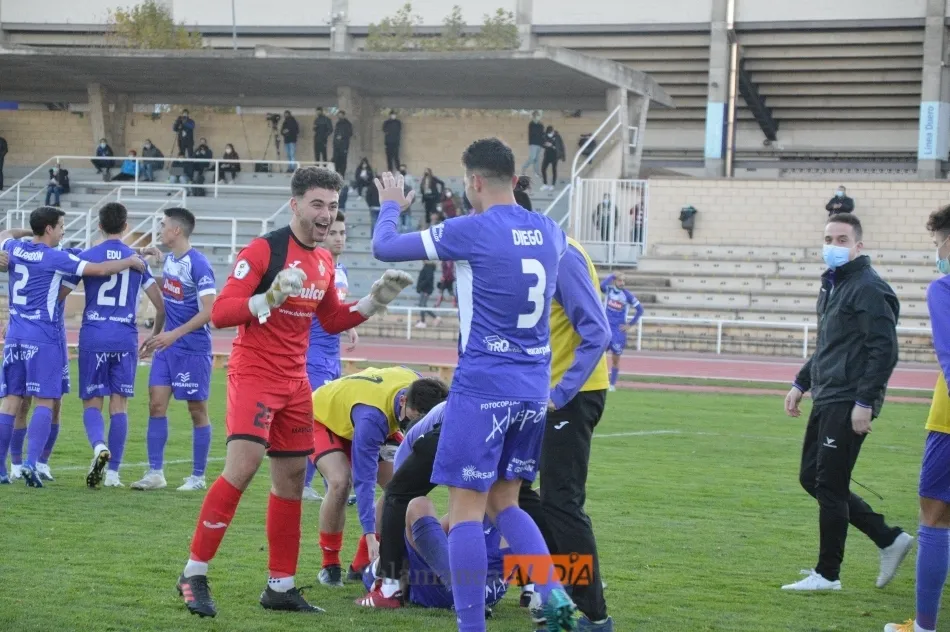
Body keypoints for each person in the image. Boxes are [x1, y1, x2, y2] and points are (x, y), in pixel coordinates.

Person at [175, 166, 412, 618]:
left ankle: (280, 586)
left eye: (334, 206)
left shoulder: (324, 260)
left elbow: (332, 321)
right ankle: (194, 572)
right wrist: (266, 300)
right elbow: (222, 313)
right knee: (242, 468)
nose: (326, 214)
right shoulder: (266, 249)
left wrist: (373, 301)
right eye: (318, 204)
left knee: (289, 480)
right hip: (255, 375)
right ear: (296, 204)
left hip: (296, 383)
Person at [365, 214, 611, 632]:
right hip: (531, 390)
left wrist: (389, 205)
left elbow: (385, 246)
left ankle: (484, 618)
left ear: (475, 182)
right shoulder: (551, 236)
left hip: (492, 390)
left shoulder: (487, 234)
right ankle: (560, 608)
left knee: (472, 508)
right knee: (511, 504)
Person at [782, 212, 913, 592]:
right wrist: (801, 382)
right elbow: (828, 344)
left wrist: (865, 401)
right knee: (813, 477)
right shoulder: (832, 286)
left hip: (849, 399)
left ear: (859, 245)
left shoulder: (870, 288)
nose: (833, 246)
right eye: (829, 239)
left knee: (831, 485)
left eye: (842, 240)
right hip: (827, 394)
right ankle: (888, 537)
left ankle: (828, 574)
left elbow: (883, 350)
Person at [0, 207, 146, 487]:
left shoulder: (15, 248)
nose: (65, 229)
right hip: (43, 336)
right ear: (50, 229)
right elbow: (101, 269)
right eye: (61, 225)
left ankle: (5, 469)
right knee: (46, 400)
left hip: (15, 335)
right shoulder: (57, 257)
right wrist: (130, 260)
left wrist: (28, 234)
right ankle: (30, 463)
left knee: (11, 401)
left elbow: (4, 233)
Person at [62, 202, 166, 488]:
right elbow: (160, 306)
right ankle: (113, 474)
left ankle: (98, 447)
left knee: (92, 402)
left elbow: (59, 295)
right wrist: (153, 338)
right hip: (124, 337)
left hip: (94, 335)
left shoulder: (87, 257)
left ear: (98, 225)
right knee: (119, 405)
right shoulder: (136, 261)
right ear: (126, 226)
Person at [312, 367, 447, 586]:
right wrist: (369, 534)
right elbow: (364, 483)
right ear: (403, 401)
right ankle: (330, 564)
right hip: (322, 417)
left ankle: (360, 564)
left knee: (399, 486)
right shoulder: (372, 419)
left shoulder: (422, 387)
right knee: (340, 482)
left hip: (369, 413)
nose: (413, 427)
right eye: (413, 421)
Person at [884, 204, 950, 632]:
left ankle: (924, 626)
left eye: (938, 244)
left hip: (948, 424)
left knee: (934, 517)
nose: (938, 253)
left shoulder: (943, 288)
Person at [130, 208, 217, 493]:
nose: (160, 228)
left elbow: (210, 311)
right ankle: (155, 472)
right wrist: (155, 338)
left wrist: (173, 335)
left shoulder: (199, 264)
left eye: (163, 224)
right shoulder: (169, 261)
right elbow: (166, 306)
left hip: (192, 349)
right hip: (167, 348)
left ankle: (197, 476)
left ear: (177, 230)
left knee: (196, 410)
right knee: (155, 405)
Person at [360, 494, 509, 614]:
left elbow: (431, 539)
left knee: (418, 505)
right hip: (485, 591)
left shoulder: (487, 509)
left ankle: (462, 590)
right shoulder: (510, 515)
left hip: (458, 588)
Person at [303, 210, 359, 502]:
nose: (339, 238)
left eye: (343, 233)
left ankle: (313, 483)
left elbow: (335, 309)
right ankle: (316, 483)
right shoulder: (316, 269)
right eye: (334, 233)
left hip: (332, 356)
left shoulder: (342, 269)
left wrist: (349, 328)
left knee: (328, 418)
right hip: (312, 354)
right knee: (320, 418)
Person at [599, 273, 643, 391]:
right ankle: (600, 382)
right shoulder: (609, 290)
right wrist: (611, 276)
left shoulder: (627, 295)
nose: (622, 283)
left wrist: (630, 324)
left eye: (623, 281)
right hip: (606, 328)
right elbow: (601, 285)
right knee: (598, 357)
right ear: (615, 281)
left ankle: (612, 384)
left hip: (618, 332)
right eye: (619, 280)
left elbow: (640, 309)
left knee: (615, 358)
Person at [540, 125, 565, 191]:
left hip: (555, 156)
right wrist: (545, 145)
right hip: (547, 155)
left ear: (553, 131)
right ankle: (545, 184)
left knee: (554, 170)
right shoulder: (545, 136)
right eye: (548, 133)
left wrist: (552, 146)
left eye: (550, 133)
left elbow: (560, 146)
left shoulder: (557, 136)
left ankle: (552, 185)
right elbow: (542, 143)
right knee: (543, 169)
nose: (549, 134)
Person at [521, 111, 544, 177]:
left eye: (539, 116)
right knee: (532, 158)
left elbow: (542, 134)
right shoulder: (531, 124)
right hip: (533, 143)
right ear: (534, 116)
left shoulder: (541, 124)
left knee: (537, 159)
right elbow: (533, 133)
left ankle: (536, 172)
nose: (539, 117)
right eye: (538, 115)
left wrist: (542, 143)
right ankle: (523, 168)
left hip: (539, 144)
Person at [332, 110, 353, 176]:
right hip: (336, 146)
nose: (339, 116)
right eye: (339, 115)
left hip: (344, 146)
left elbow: (350, 133)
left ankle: (342, 174)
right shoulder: (338, 123)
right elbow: (335, 134)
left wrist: (342, 136)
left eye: (341, 115)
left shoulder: (348, 124)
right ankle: (336, 173)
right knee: (336, 160)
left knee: (343, 160)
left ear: (343, 115)